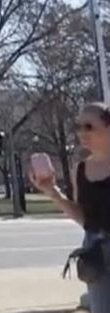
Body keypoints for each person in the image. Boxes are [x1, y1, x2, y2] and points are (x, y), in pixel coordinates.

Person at [32, 103, 110, 312]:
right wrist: (53, 193)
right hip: (97, 253)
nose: (81, 132)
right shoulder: (80, 169)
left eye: (89, 126)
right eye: (78, 127)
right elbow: (86, 218)